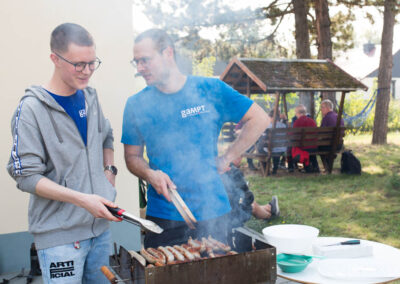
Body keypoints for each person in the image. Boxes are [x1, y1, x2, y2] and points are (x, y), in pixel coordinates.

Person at [122, 29, 269, 248]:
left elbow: (259, 118)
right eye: (136, 62)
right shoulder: (136, 104)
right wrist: (150, 174)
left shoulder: (210, 89)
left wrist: (228, 156)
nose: (140, 69)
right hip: (164, 215)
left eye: (145, 60)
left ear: (168, 53)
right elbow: (132, 157)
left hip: (214, 210)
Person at [6, 23, 119, 283]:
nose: (87, 71)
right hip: (60, 241)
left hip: (100, 232)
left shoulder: (90, 97)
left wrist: (109, 173)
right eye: (78, 64)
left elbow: (107, 136)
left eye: (92, 63)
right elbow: (27, 177)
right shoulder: (31, 110)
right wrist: (83, 200)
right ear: (54, 59)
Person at [256, 110, 288, 174]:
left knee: (261, 148)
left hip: (271, 149)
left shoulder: (268, 126)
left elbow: (261, 136)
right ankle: (274, 170)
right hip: (282, 149)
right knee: (273, 148)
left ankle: (265, 169)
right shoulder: (284, 126)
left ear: (272, 117)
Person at [292, 105, 320, 173]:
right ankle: (315, 167)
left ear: (298, 113)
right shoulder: (312, 121)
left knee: (293, 147)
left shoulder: (297, 122)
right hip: (314, 147)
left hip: (303, 148)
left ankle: (295, 167)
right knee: (309, 147)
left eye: (295, 113)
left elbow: (293, 136)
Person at [319, 99, 345, 170]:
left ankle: (327, 167)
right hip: (339, 145)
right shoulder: (339, 117)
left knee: (318, 147)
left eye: (322, 107)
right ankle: (329, 162)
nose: (321, 109)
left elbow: (320, 133)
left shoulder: (326, 118)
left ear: (328, 108)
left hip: (328, 146)